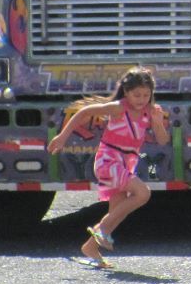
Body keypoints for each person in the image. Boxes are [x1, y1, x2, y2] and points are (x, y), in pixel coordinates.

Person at [48, 67, 170, 269]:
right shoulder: (118, 107)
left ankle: (90, 247)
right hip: (108, 160)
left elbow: (163, 140)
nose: (141, 99)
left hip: (126, 162)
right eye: (136, 94)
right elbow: (84, 112)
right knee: (143, 193)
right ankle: (100, 229)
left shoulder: (150, 111)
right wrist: (62, 136)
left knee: (117, 211)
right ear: (127, 92)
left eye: (146, 95)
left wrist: (157, 122)